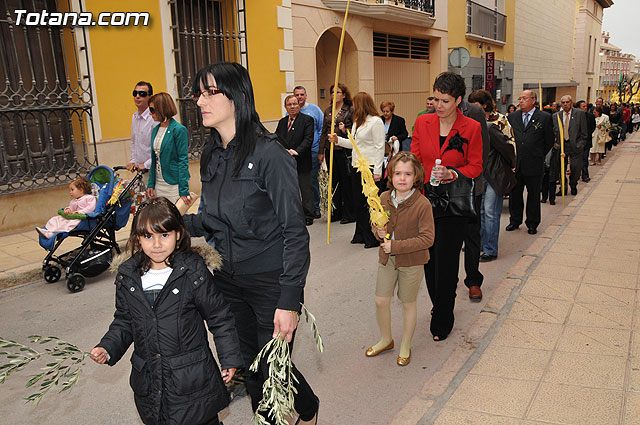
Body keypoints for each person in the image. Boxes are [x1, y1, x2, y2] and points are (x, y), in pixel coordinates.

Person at [182, 62, 319, 425]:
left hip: (270, 281)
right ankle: (308, 407)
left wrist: (289, 300)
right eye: (199, 93)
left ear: (238, 97)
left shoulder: (269, 155)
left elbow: (295, 231)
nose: (200, 101)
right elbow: (214, 219)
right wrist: (173, 227)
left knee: (268, 367)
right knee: (251, 363)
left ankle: (292, 413)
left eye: (210, 92)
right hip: (226, 278)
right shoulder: (211, 154)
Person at [90, 197, 243, 425]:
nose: (157, 244)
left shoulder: (192, 272)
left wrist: (229, 358)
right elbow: (124, 320)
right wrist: (108, 347)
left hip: (191, 380)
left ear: (178, 235)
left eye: (164, 235)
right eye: (148, 236)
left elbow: (219, 317)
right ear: (137, 239)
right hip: (151, 382)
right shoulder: (128, 275)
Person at [411, 72, 483, 341]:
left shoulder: (471, 128)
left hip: (454, 204)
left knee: (447, 260)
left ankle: (444, 314)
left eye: (445, 101)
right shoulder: (422, 122)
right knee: (428, 260)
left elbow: (476, 166)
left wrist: (452, 173)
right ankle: (439, 304)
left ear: (459, 100)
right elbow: (415, 158)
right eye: (436, 99)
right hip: (425, 201)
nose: (438, 105)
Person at [366, 152, 434, 366]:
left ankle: (405, 344)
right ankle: (387, 339)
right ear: (390, 175)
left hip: (412, 262)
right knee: (381, 300)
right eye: (397, 173)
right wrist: (378, 231)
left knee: (408, 303)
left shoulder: (422, 204)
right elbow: (376, 226)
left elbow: (427, 239)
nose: (402, 178)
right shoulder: (384, 198)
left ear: (416, 177)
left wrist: (395, 245)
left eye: (407, 174)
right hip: (387, 259)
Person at [329, 92, 386, 248]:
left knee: (370, 202)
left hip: (371, 166)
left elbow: (380, 147)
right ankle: (360, 233)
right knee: (358, 202)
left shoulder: (376, 122)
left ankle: (372, 236)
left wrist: (378, 171)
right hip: (356, 166)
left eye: (356, 104)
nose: (353, 107)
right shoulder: (356, 123)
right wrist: (338, 140)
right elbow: (353, 144)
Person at [467, 90, 516, 262]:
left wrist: (512, 165)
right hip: (478, 174)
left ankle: (490, 249)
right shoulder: (470, 123)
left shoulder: (494, 124)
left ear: (484, 106)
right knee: (479, 211)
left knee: (490, 212)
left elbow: (508, 147)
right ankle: (479, 243)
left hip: (494, 174)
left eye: (475, 105)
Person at [506, 90, 554, 235]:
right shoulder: (513, 117)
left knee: (533, 195)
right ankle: (515, 220)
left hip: (534, 163)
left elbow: (549, 140)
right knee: (515, 195)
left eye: (524, 98)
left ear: (533, 100)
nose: (521, 101)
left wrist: (537, 153)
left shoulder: (544, 117)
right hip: (516, 164)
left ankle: (532, 223)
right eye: (519, 98)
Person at [318, 83, 355, 224]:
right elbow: (323, 132)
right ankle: (336, 211)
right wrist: (321, 150)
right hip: (330, 149)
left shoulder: (350, 110)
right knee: (334, 182)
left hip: (344, 150)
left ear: (344, 95)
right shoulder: (328, 110)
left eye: (337, 92)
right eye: (332, 92)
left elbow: (356, 131)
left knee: (346, 181)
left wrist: (345, 129)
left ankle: (349, 213)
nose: (334, 95)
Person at [276, 95, 315, 225]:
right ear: (285, 107)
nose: (292, 107)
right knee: (290, 190)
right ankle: (294, 215)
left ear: (299, 105)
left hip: (302, 160)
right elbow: (277, 139)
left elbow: (308, 139)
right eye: (289, 105)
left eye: (295, 104)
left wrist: (297, 151)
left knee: (305, 189)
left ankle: (309, 214)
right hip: (286, 161)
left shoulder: (307, 120)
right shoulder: (282, 122)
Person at [147, 92, 191, 205]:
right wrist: (151, 184)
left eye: (152, 109)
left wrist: (183, 190)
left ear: (161, 108)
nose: (150, 113)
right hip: (158, 183)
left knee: (175, 217)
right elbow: (154, 159)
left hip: (173, 184)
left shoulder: (179, 130)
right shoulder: (155, 130)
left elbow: (183, 160)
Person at [294, 86, 325, 219]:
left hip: (312, 151)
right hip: (296, 153)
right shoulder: (291, 111)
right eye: (297, 95)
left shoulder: (314, 110)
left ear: (306, 96)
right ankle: (303, 208)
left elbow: (322, 129)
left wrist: (320, 150)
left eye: (302, 94)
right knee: (298, 182)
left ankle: (315, 207)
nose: (300, 97)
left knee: (311, 181)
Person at [552, 95, 588, 196]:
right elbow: (554, 131)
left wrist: (580, 144)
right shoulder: (556, 116)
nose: (565, 104)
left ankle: (573, 184)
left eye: (567, 102)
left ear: (571, 103)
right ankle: (563, 187)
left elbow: (584, 133)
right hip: (562, 146)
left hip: (575, 145)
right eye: (563, 103)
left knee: (575, 167)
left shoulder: (579, 114)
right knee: (561, 168)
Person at [128, 81, 156, 175]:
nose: (137, 96)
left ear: (150, 97)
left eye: (142, 94)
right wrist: (133, 161)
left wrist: (146, 164)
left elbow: (160, 148)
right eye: (135, 93)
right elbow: (134, 142)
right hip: (140, 172)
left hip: (154, 171)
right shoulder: (134, 117)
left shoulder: (154, 118)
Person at [576, 100, 595, 183]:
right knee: (576, 160)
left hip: (586, 142)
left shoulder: (590, 116)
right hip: (576, 142)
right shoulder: (575, 116)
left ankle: (585, 175)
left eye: (586, 106)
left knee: (584, 159)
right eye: (583, 106)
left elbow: (592, 127)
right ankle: (576, 175)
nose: (585, 108)